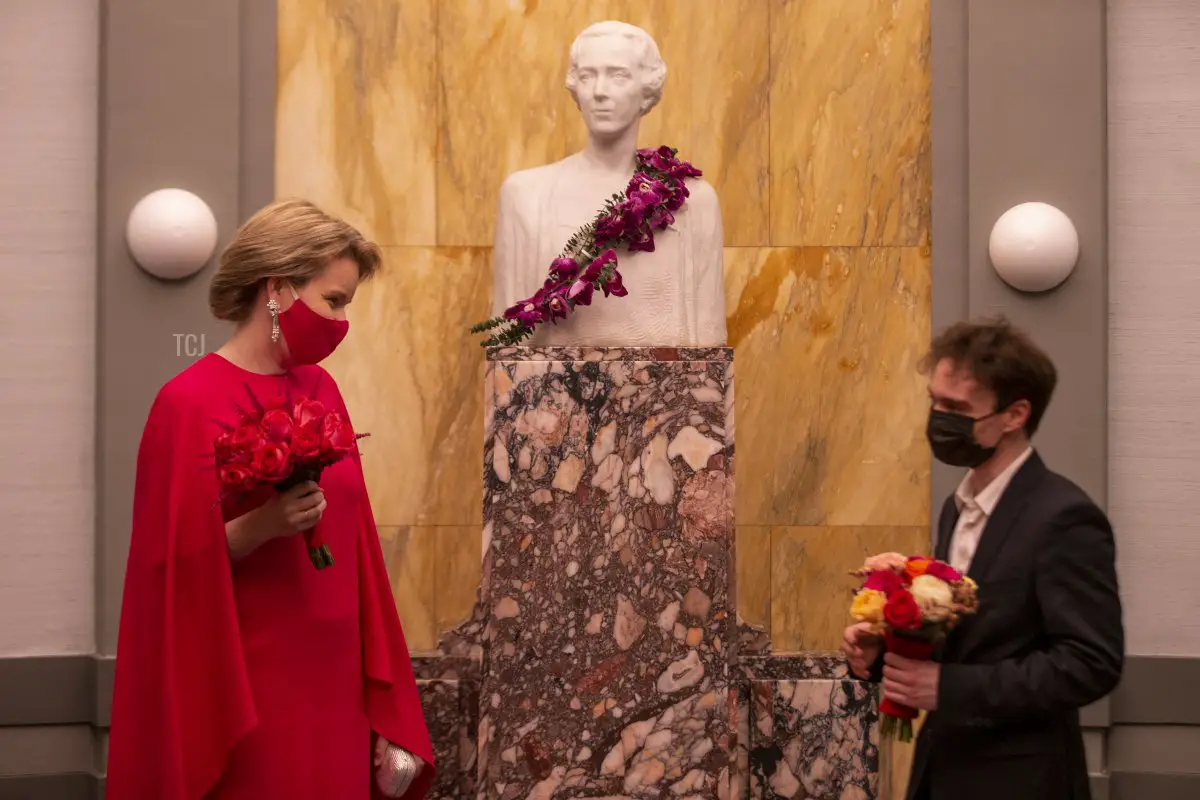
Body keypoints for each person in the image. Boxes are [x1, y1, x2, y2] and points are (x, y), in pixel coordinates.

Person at [107, 199, 435, 799]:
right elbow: (163, 571)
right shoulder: (186, 402)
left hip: (334, 675)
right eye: (333, 301)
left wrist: (382, 690)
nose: (341, 322)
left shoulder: (320, 387)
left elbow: (357, 544)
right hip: (246, 679)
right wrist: (259, 527)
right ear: (279, 288)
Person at [842, 317, 1123, 800]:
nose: (938, 417)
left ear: (1014, 415)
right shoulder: (958, 508)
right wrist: (881, 651)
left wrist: (949, 688)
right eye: (934, 401)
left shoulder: (1064, 516)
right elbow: (969, 639)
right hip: (943, 768)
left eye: (955, 407)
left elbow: (1090, 662)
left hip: (1021, 780)